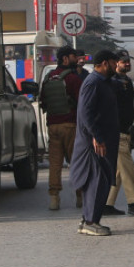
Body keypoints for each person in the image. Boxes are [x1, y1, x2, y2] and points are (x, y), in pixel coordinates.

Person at [70, 50, 119, 236]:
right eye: (114, 62)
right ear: (105, 63)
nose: (116, 66)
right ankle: (90, 222)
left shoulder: (104, 82)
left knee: (102, 180)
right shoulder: (92, 83)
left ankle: (89, 219)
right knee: (97, 181)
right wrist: (97, 136)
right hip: (94, 143)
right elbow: (86, 113)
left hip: (103, 140)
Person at [103, 51, 134, 217]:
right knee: (128, 169)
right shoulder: (112, 82)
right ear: (116, 63)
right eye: (123, 61)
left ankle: (107, 203)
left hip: (125, 130)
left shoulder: (127, 81)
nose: (127, 63)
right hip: (117, 132)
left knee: (119, 171)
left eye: (128, 61)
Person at [41, 45, 84, 211]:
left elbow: (44, 102)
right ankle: (80, 196)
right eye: (73, 56)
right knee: (77, 162)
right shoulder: (73, 79)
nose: (76, 59)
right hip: (70, 125)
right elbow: (82, 103)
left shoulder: (48, 78)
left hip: (53, 126)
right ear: (65, 59)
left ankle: (54, 198)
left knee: (55, 163)